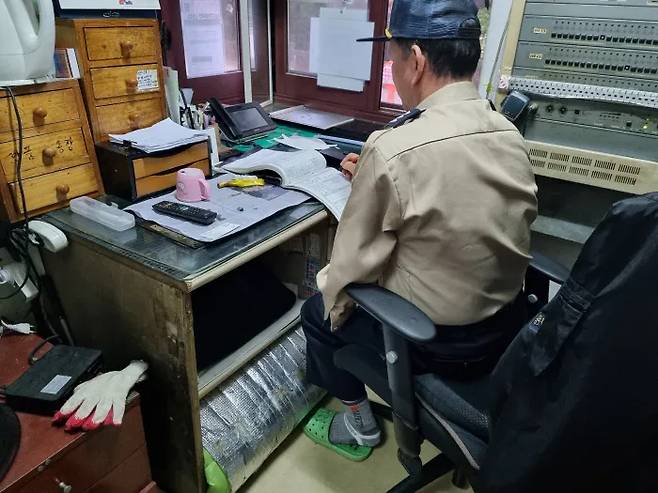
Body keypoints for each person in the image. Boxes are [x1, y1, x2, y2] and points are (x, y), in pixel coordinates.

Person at [301, 0, 538, 459]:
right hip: (506, 330)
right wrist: (375, 182)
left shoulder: (393, 149)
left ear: (417, 61)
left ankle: (360, 427)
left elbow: (348, 274)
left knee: (317, 311)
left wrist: (371, 185)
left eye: (392, 60)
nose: (392, 70)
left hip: (437, 343)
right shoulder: (506, 132)